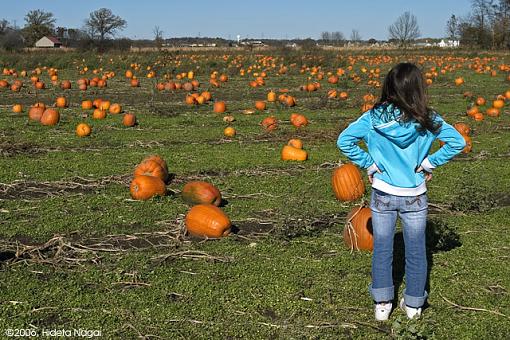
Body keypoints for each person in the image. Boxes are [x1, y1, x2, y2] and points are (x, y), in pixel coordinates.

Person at [337, 63, 466, 321]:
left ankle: (383, 303)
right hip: (415, 194)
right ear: (419, 89)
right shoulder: (427, 118)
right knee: (417, 249)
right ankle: (414, 305)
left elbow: (344, 141)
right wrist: (429, 163)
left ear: (389, 86)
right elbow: (458, 142)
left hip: (383, 192)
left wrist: (369, 164)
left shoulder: (373, 118)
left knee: (383, 247)